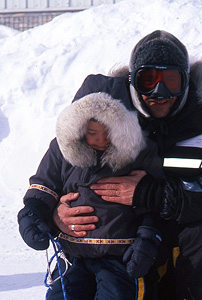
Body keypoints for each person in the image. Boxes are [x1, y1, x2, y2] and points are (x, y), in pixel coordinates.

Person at [21, 30, 202, 299]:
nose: (159, 92)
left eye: (171, 81)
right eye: (148, 79)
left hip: (178, 248)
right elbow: (65, 167)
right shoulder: (108, 121)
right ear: (133, 81)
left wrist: (151, 194)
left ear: (186, 83)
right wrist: (52, 215)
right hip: (117, 248)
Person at [17, 90, 165, 300]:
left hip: (118, 256)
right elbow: (44, 183)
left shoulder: (139, 151)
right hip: (71, 255)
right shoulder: (62, 149)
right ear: (79, 129)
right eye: (92, 132)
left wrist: (148, 236)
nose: (101, 139)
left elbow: (151, 202)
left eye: (107, 132)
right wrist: (32, 212)